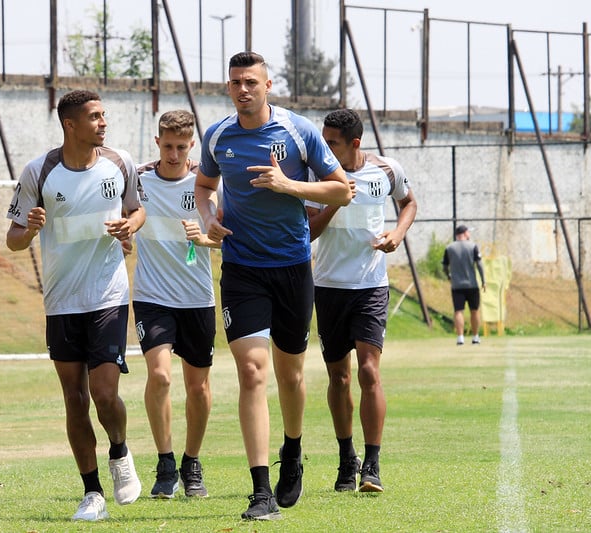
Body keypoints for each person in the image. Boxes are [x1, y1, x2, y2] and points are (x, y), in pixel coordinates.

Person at [195, 51, 352, 520]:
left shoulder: (298, 131)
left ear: (267, 86)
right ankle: (261, 491)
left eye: (250, 82)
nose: (242, 89)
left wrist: (289, 186)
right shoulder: (218, 136)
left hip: (291, 268)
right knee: (251, 372)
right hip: (242, 269)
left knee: (291, 375)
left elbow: (341, 189)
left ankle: (294, 449)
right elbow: (204, 187)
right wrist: (209, 219)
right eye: (235, 82)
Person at [5, 89, 144, 522]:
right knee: (74, 398)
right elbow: (12, 240)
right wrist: (29, 229)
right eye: (95, 116)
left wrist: (128, 224)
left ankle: (120, 454)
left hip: (108, 296)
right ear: (70, 124)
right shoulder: (39, 171)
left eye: (104, 115)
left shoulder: (119, 163)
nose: (103, 122)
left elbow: (137, 211)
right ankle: (92, 494)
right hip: (62, 302)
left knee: (104, 394)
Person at [306, 108, 417, 494]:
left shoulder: (386, 170)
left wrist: (397, 234)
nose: (325, 147)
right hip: (328, 288)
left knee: (369, 372)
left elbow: (409, 203)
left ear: (354, 143)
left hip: (371, 286)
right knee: (339, 377)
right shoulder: (316, 175)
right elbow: (308, 231)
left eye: (331, 142)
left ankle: (372, 464)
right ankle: (345, 457)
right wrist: (336, 199)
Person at [132, 109, 219, 499]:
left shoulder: (207, 184)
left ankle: (191, 461)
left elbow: (224, 237)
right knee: (161, 376)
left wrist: (204, 237)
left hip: (197, 299)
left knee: (198, 388)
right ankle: (165, 462)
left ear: (191, 146)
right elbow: (120, 215)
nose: (173, 153)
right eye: (167, 146)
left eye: (181, 147)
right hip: (152, 297)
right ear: (157, 143)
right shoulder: (138, 180)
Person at [442, 225, 486, 345]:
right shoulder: (472, 246)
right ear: (465, 233)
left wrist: (449, 276)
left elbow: (445, 266)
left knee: (458, 311)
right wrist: (483, 280)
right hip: (472, 284)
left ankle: (460, 337)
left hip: (456, 285)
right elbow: (480, 265)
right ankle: (475, 336)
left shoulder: (449, 248)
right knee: (475, 310)